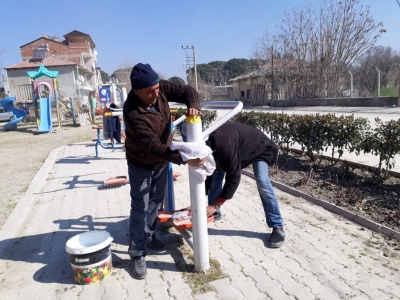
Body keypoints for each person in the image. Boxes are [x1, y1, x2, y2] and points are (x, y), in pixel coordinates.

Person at [123, 63, 204, 280]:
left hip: (160, 162)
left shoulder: (158, 87)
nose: (156, 93)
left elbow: (188, 91)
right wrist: (184, 159)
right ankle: (137, 252)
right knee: (140, 205)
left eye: (157, 88)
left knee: (155, 201)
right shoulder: (132, 112)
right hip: (140, 161)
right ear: (136, 91)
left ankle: (149, 236)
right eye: (150, 91)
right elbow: (153, 147)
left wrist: (193, 105)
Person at [202, 122, 285, 248]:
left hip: (261, 148)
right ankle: (215, 212)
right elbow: (208, 175)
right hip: (240, 146)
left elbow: (234, 177)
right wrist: (200, 201)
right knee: (216, 173)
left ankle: (277, 226)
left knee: (262, 181)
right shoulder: (205, 146)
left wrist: (215, 203)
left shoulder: (224, 147)